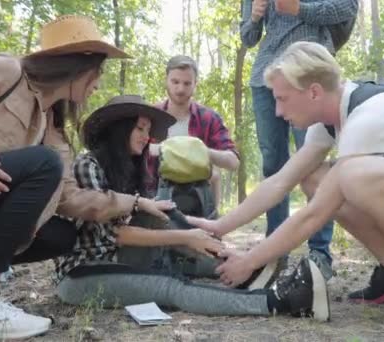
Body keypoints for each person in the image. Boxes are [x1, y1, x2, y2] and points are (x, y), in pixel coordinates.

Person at [188, 41, 384, 323]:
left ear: (313, 92)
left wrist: (249, 261)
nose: (279, 111)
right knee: (313, 175)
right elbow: (280, 182)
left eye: (282, 99)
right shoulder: (333, 119)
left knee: (353, 176)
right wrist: (219, 227)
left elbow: (315, 214)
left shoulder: (367, 118)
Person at [0, 15, 162, 339]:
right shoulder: (5, 72)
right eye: (98, 71)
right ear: (78, 65)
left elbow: (70, 199)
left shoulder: (50, 128)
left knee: (58, 235)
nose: (98, 83)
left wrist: (136, 203)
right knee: (43, 163)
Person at [54, 95, 330, 321]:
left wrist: (189, 229)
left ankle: (246, 268)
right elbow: (116, 234)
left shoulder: (127, 170)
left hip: (121, 257)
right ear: (119, 129)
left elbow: (142, 221)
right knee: (172, 286)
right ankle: (280, 302)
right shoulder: (87, 165)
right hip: (83, 273)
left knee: (164, 211)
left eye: (148, 130)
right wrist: (186, 236)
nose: (146, 137)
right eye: (140, 129)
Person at [240, 0, 359, 277]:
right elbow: (248, 38)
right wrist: (255, 18)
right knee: (273, 163)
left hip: (309, 74)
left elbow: (347, 8)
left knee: (314, 165)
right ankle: (274, 251)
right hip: (265, 78)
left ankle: (319, 255)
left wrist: (299, 9)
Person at [148, 55, 239, 211]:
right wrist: (159, 149)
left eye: (187, 83)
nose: (180, 89)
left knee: (214, 176)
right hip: (154, 197)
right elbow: (131, 153)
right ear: (166, 80)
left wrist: (200, 151)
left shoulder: (209, 118)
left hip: (199, 197)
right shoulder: (150, 116)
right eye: (175, 82)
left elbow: (233, 162)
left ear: (195, 84)